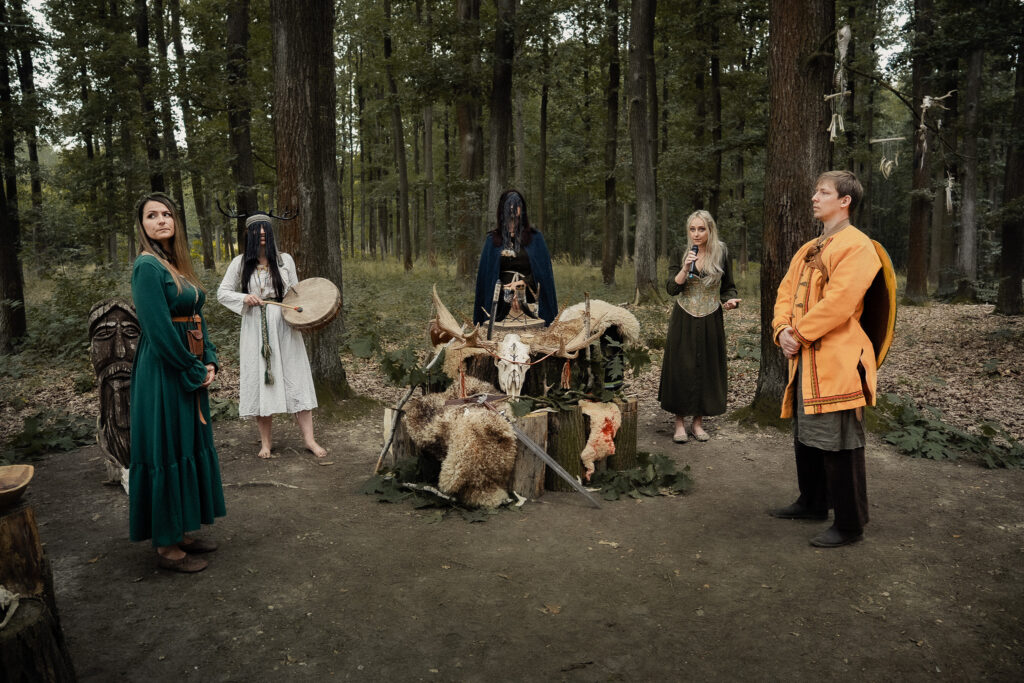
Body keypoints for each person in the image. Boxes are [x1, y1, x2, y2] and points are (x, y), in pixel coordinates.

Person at [769, 170, 882, 548]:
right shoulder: (808, 247)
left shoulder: (858, 246)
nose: (815, 197)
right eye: (816, 191)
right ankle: (813, 502)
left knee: (840, 440)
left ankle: (850, 524)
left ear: (845, 201)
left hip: (838, 360)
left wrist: (797, 334)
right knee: (807, 434)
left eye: (824, 192)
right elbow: (785, 291)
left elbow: (840, 303)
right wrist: (781, 329)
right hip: (805, 359)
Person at [129, 192, 224, 573]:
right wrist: (191, 367)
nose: (161, 220)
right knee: (167, 447)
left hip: (188, 365)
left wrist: (211, 358)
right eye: (152, 215)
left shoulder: (176, 265)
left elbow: (196, 318)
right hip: (164, 371)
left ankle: (182, 531)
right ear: (142, 225)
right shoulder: (147, 268)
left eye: (167, 214)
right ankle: (166, 548)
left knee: (188, 442)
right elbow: (158, 330)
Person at [217, 214, 326, 460]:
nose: (262, 233)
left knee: (296, 377)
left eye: (266, 229)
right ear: (250, 235)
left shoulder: (284, 260)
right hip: (256, 325)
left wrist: (303, 315)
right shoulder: (240, 263)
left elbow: (297, 293)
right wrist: (244, 298)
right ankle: (266, 442)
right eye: (257, 230)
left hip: (284, 325)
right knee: (261, 379)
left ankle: (309, 439)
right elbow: (222, 293)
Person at [658, 211, 741, 443]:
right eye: (692, 229)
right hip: (684, 317)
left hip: (710, 317)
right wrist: (685, 269)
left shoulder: (722, 252)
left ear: (710, 230)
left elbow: (728, 287)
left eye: (701, 229)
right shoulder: (680, 252)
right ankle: (679, 423)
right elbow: (671, 289)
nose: (696, 234)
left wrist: (730, 300)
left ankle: (698, 423)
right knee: (681, 367)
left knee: (706, 367)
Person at [473, 189, 557, 328]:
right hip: (499, 299)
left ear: (522, 208)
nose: (512, 208)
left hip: (530, 298)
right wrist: (507, 291)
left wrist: (521, 285)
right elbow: (487, 277)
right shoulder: (492, 240)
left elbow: (543, 273)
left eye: (516, 204)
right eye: (509, 205)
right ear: (502, 209)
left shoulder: (535, 238)